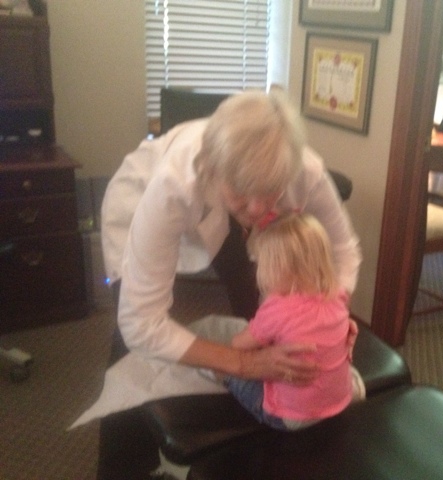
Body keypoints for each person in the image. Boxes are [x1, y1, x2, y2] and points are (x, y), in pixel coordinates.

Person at [97, 89, 362, 478]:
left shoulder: (304, 169)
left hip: (220, 208)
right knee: (132, 349)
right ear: (213, 170)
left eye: (269, 193)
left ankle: (258, 445)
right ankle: (122, 470)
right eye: (242, 194)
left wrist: (332, 308)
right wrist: (241, 363)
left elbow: (344, 250)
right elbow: (141, 323)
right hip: (140, 204)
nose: (257, 210)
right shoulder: (174, 183)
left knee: (263, 312)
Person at [216, 212, 365, 431]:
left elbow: (239, 345)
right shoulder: (338, 295)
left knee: (226, 366)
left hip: (294, 418)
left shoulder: (276, 309)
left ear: (279, 269)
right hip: (342, 400)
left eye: (262, 264)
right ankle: (353, 388)